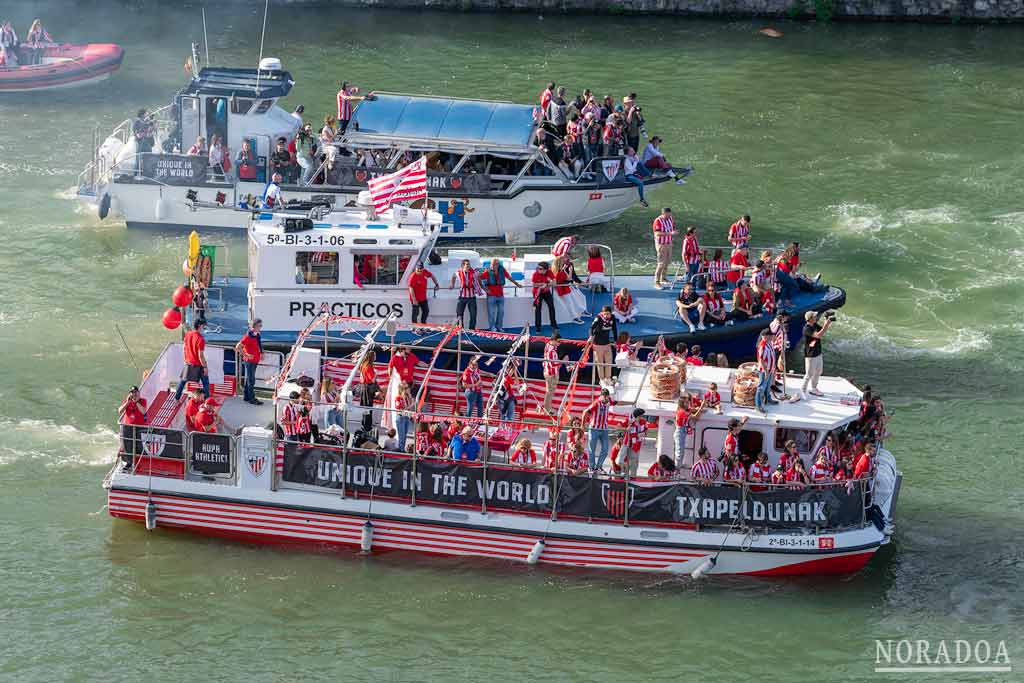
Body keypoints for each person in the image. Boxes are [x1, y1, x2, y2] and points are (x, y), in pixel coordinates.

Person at [479, 258, 521, 331]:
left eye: (497, 264)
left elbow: (509, 277)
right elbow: (479, 278)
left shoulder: (502, 270)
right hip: (491, 296)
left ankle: (499, 326)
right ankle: (492, 327)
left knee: (501, 312)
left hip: (500, 295)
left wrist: (517, 284)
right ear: (491, 264)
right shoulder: (487, 271)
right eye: (494, 264)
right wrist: (484, 288)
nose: (495, 265)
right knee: (491, 313)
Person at [175, 320, 209, 400]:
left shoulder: (188, 334)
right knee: (205, 382)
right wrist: (205, 367)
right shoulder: (201, 339)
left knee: (182, 382)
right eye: (203, 326)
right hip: (198, 365)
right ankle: (207, 400)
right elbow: (200, 356)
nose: (204, 328)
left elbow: (184, 348)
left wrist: (186, 358)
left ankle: (176, 399)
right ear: (200, 326)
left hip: (188, 363)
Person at [801, 310, 833, 399]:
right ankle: (802, 390)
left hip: (818, 352)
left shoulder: (814, 325)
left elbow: (823, 329)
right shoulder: (806, 329)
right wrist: (827, 323)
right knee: (809, 374)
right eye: (814, 316)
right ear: (810, 319)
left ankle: (814, 388)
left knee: (819, 371)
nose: (816, 317)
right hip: (810, 355)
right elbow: (819, 335)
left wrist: (827, 320)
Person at [582, 387, 614, 472]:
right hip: (594, 429)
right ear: (602, 396)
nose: (607, 399)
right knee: (591, 449)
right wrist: (583, 424)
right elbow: (585, 412)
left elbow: (617, 402)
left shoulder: (609, 401)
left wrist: (631, 402)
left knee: (605, 449)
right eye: (605, 397)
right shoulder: (596, 403)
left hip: (604, 429)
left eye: (608, 397)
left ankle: (598, 466)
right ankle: (591, 467)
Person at [233, 319, 264, 405]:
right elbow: (237, 347)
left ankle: (246, 396)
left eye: (261, 326)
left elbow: (259, 343)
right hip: (250, 361)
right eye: (259, 326)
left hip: (255, 360)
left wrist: (261, 353)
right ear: (254, 327)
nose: (261, 328)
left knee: (249, 379)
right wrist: (246, 355)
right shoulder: (248, 337)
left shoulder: (257, 335)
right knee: (251, 380)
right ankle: (252, 398)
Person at [589, 306, 618, 385]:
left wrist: (615, 341)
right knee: (600, 363)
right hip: (598, 344)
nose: (606, 316)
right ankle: (601, 379)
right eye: (604, 314)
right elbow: (591, 328)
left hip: (607, 343)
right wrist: (591, 337)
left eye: (608, 314)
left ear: (611, 313)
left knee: (609, 362)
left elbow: (614, 329)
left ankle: (608, 378)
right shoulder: (598, 318)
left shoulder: (612, 318)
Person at [451, 259, 482, 329]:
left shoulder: (474, 272)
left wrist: (482, 286)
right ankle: (460, 329)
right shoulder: (458, 273)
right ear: (463, 265)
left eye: (469, 264)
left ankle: (471, 329)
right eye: (467, 264)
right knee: (459, 314)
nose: (468, 265)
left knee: (473, 315)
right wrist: (452, 285)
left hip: (472, 297)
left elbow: (479, 277)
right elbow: (453, 276)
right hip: (462, 297)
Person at [673, 394, 702, 468]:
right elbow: (695, 416)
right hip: (680, 432)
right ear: (682, 403)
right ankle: (676, 471)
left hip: (682, 432)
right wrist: (702, 407)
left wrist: (697, 408)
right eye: (686, 402)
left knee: (681, 451)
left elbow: (692, 410)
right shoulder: (682, 412)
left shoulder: (683, 410)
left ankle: (679, 466)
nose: (688, 403)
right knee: (679, 453)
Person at [651, 207, 677, 289]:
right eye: (668, 214)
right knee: (661, 263)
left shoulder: (670, 219)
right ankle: (656, 282)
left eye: (670, 214)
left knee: (667, 261)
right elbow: (657, 233)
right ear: (664, 213)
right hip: (661, 244)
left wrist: (673, 233)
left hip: (669, 243)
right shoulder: (658, 221)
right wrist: (670, 233)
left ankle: (663, 278)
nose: (670, 215)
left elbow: (673, 227)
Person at [754, 328, 778, 414]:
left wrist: (773, 367)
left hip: (770, 369)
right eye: (771, 335)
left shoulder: (769, 343)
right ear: (766, 336)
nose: (772, 336)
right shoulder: (762, 346)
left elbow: (772, 356)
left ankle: (768, 399)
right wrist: (766, 371)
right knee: (761, 388)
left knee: (768, 386)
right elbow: (762, 360)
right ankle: (758, 406)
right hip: (764, 371)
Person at [408, 262, 439, 327]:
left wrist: (436, 284)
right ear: (415, 268)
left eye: (420, 268)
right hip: (415, 299)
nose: (419, 270)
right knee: (415, 313)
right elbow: (411, 288)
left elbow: (432, 276)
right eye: (418, 268)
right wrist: (414, 299)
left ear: (423, 268)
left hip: (423, 298)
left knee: (426, 311)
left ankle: (423, 325)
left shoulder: (425, 272)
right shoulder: (413, 276)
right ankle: (414, 327)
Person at [621, 408, 648, 477]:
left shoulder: (644, 422)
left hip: (637, 445)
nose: (643, 417)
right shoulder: (629, 420)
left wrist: (643, 434)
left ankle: (633, 476)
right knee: (621, 460)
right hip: (627, 443)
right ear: (638, 416)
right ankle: (623, 474)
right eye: (642, 415)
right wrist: (626, 429)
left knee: (634, 462)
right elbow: (619, 426)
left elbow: (646, 432)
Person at [531, 261, 558, 330]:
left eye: (540, 269)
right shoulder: (535, 274)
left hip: (546, 292)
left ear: (545, 270)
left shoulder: (549, 272)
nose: (538, 269)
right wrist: (543, 283)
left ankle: (553, 324)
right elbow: (534, 284)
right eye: (538, 268)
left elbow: (554, 282)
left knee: (551, 307)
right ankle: (538, 327)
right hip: (538, 293)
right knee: (538, 309)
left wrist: (547, 284)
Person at [542, 332, 561, 415]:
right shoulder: (551, 351)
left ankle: (548, 408)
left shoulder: (548, 345)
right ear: (553, 340)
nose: (559, 343)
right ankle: (546, 409)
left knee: (550, 392)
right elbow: (552, 364)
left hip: (548, 371)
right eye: (558, 341)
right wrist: (561, 363)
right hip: (551, 373)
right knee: (549, 392)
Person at [393, 381, 414, 452]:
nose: (409, 389)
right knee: (401, 436)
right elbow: (400, 409)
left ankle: (402, 449)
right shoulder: (398, 398)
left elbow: (411, 404)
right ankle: (401, 450)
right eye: (407, 388)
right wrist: (410, 406)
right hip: (401, 418)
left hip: (406, 417)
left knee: (404, 435)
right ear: (403, 389)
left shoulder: (407, 397)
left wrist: (410, 396)